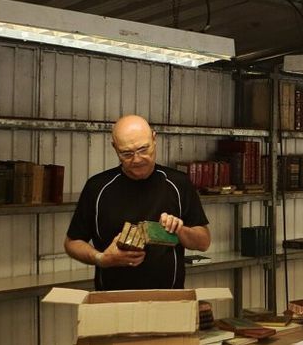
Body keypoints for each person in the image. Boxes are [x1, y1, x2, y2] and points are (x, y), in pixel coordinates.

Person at [64, 115, 211, 290]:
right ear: (114, 148)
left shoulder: (179, 183)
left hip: (168, 301)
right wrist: (101, 259)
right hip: (112, 302)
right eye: (126, 154)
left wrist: (180, 230)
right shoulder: (97, 187)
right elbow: (71, 243)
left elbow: (203, 243)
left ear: (154, 139)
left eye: (143, 149)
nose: (137, 159)